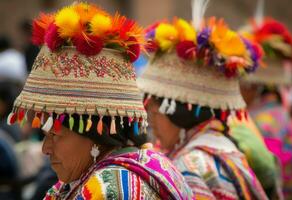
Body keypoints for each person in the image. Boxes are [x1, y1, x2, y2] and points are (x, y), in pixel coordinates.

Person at [8, 3, 193, 199]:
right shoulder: (152, 161)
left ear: (94, 132)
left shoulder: (105, 191)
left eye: (55, 135)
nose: (45, 148)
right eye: (46, 135)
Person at [137, 1, 268, 199]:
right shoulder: (223, 146)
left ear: (179, 111)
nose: (152, 123)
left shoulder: (190, 166)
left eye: (154, 111)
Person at [239, 13, 292, 198]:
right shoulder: (277, 112)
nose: (238, 88)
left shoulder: (263, 124)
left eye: (240, 82)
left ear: (254, 85)